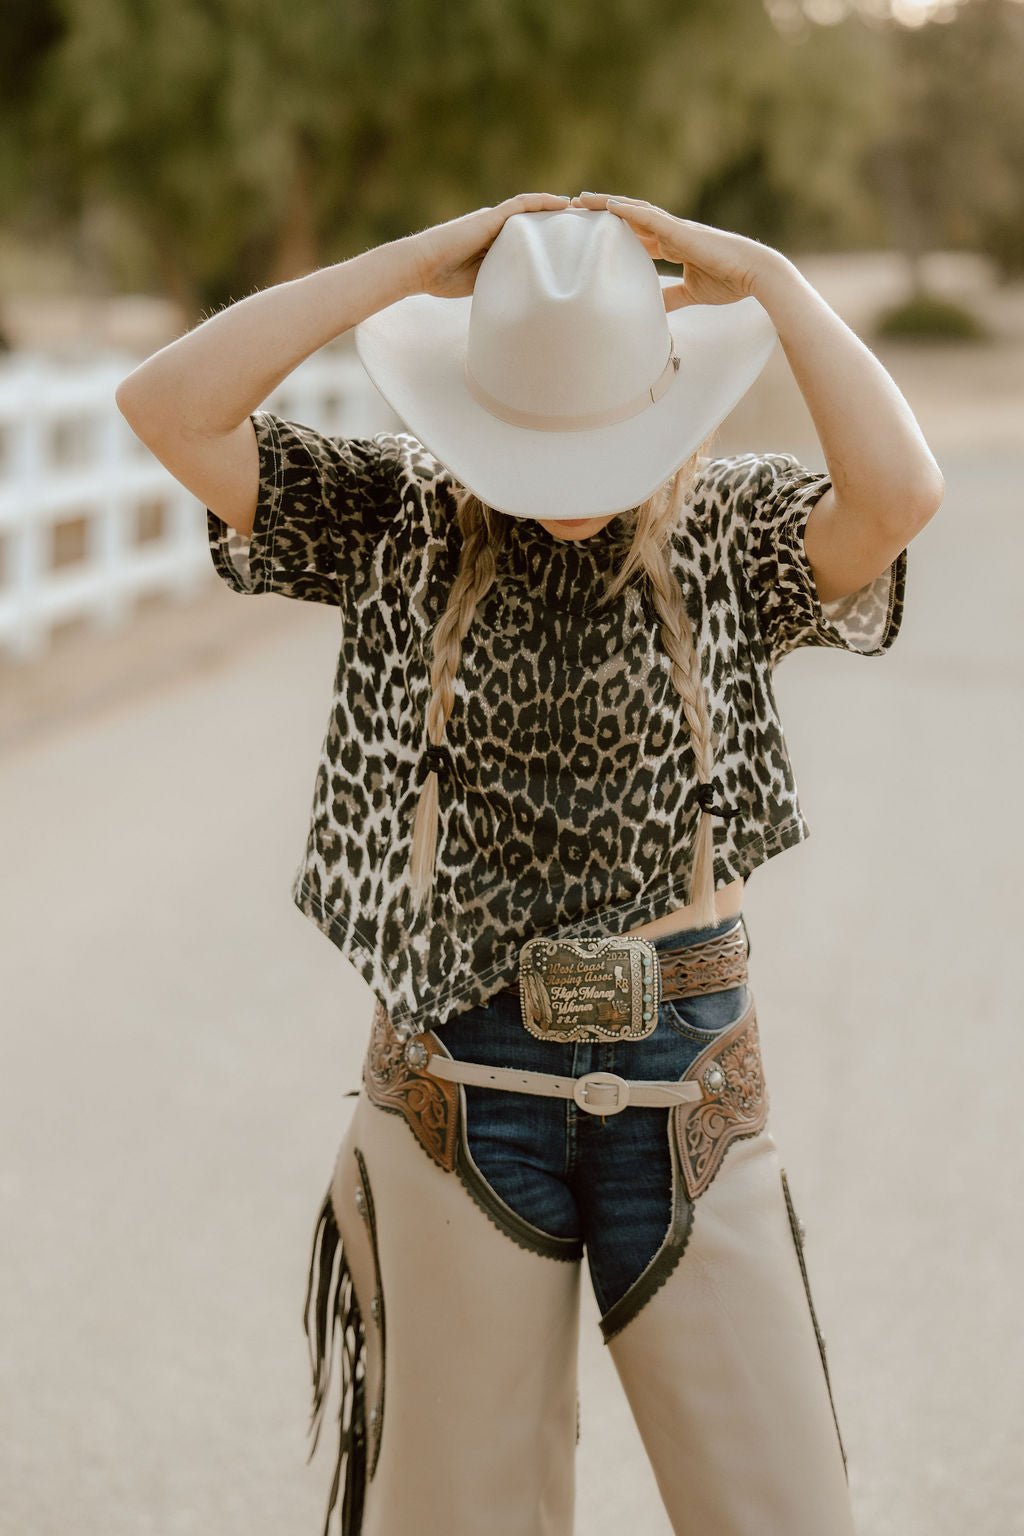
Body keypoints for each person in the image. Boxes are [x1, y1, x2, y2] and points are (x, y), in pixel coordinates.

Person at [115, 190, 944, 1536]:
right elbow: (168, 407)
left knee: (781, 1510)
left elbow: (901, 495)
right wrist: (409, 268)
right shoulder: (394, 511)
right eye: (533, 438)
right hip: (456, 1082)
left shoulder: (732, 526)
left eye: (601, 441)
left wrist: (774, 284)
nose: (568, 487)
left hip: (688, 1084)